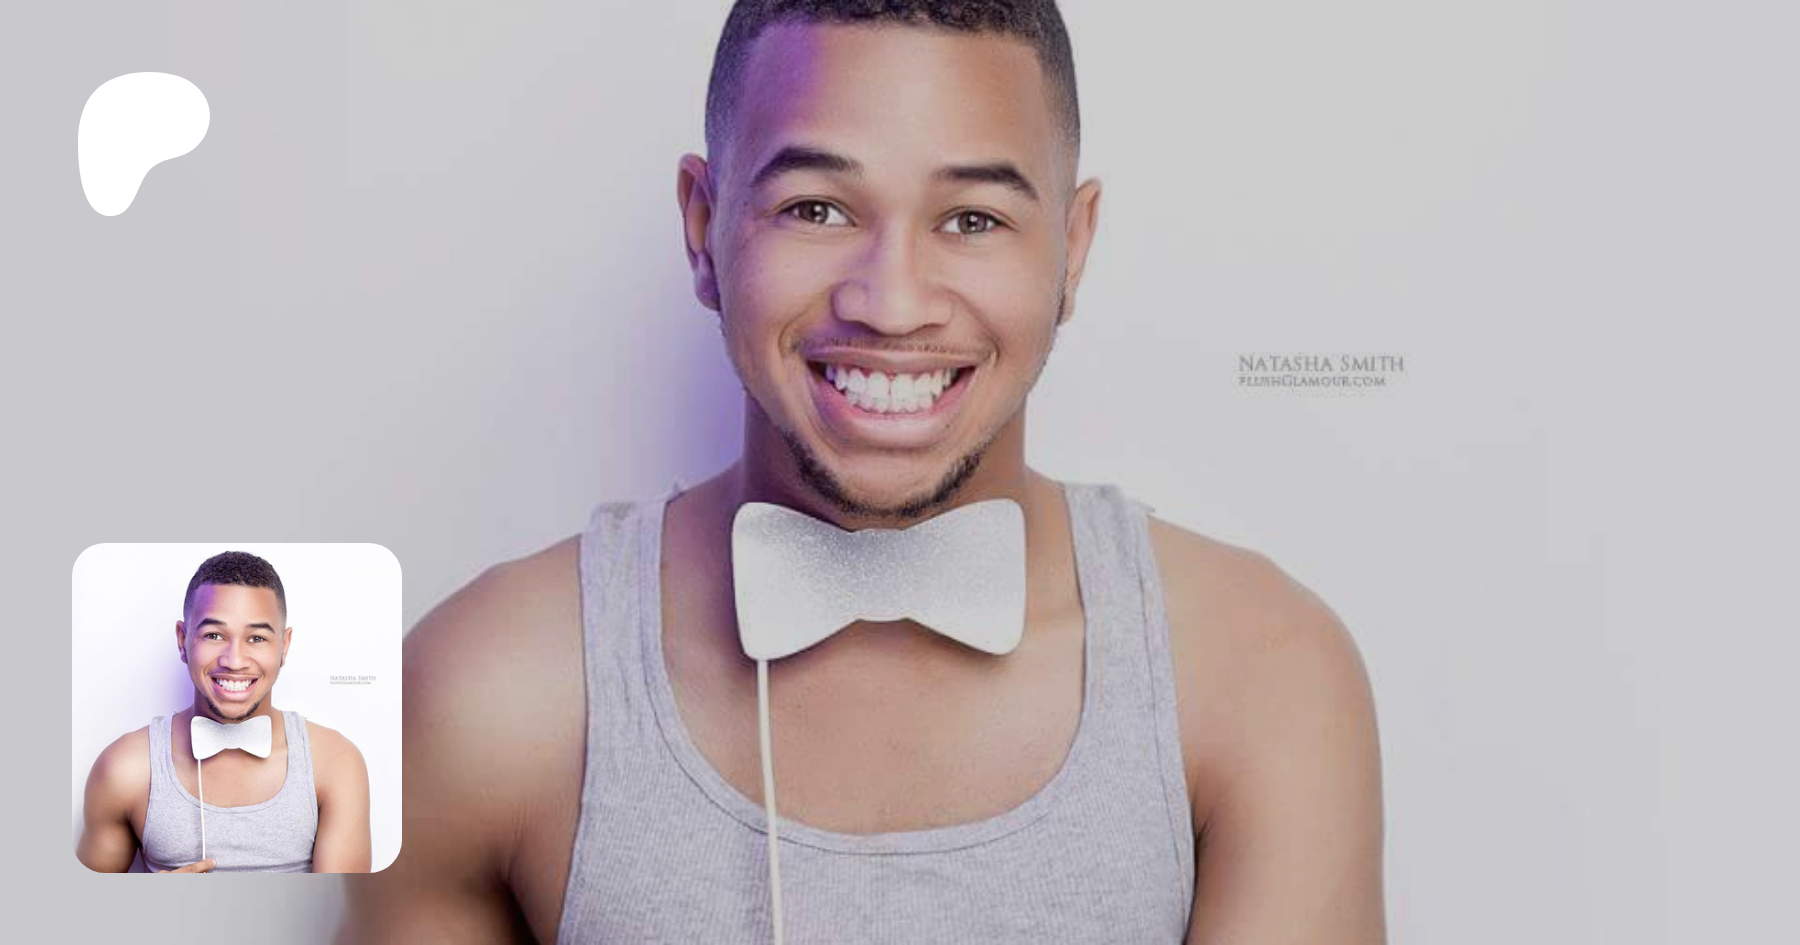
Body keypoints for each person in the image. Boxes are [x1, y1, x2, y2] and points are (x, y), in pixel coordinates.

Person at [343, 1, 1384, 940]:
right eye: (817, 209)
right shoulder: (483, 698)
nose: (891, 304)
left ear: (1071, 251)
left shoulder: (1259, 679)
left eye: (972, 220)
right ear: (704, 229)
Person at [76, 550, 372, 873]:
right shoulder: (124, 769)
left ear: (284, 647)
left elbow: (344, 903)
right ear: (183, 640)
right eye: (214, 635)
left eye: (256, 638)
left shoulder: (335, 764)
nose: (234, 660)